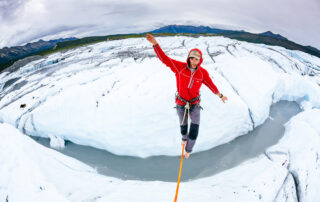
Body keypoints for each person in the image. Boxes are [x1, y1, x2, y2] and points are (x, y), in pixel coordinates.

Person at [146, 34, 228, 159]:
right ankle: (184, 139)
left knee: (194, 129)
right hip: (181, 102)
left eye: (197, 59)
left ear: (200, 60)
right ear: (189, 58)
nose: (194, 61)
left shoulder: (202, 73)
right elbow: (164, 59)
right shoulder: (180, 68)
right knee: (183, 125)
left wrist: (220, 95)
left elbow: (211, 85)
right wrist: (155, 44)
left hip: (195, 103)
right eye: (192, 58)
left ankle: (189, 149)